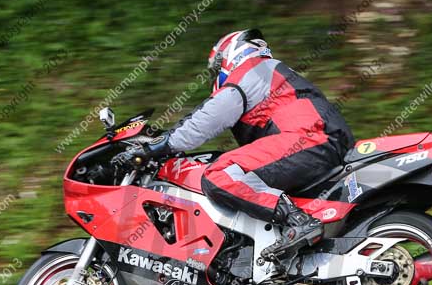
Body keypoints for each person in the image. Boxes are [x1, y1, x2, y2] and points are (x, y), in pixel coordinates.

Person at [120, 29, 354, 258]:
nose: (216, 76)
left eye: (217, 68)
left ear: (231, 55)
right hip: (319, 139)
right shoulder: (273, 73)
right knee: (245, 178)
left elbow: (210, 116)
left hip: (308, 137)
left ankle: (299, 221)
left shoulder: (252, 69)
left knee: (220, 173)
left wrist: (160, 145)